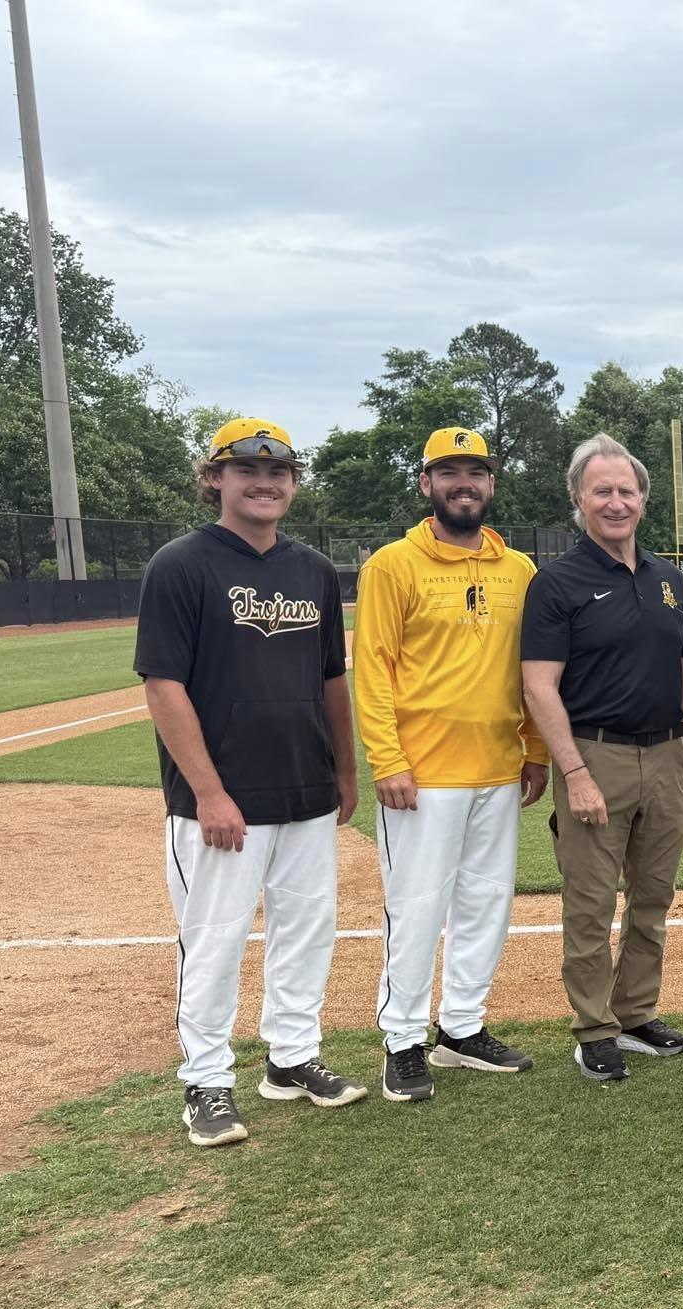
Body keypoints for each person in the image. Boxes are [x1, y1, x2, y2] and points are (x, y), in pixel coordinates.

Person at [135, 418, 366, 1147]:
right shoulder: (181, 564)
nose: (265, 483)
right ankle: (205, 1080)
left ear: (293, 483)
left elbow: (331, 677)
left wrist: (345, 768)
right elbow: (163, 685)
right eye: (247, 470)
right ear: (215, 479)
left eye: (279, 472)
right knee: (213, 940)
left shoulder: (313, 570)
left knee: (306, 930)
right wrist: (208, 792)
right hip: (223, 798)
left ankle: (292, 1058)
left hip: (304, 789)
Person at [353, 427, 550, 1104]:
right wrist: (388, 759)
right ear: (426, 483)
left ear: (491, 483)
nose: (463, 483)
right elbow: (373, 670)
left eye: (476, 472)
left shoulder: (518, 569)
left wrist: (536, 749)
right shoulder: (392, 566)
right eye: (448, 472)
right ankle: (402, 1039)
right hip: (422, 776)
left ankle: (461, 1028)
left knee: (485, 904)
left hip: (498, 767)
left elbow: (532, 669)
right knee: (415, 909)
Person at [520, 433, 683, 1083]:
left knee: (653, 898)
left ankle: (635, 1013)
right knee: (591, 905)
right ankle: (594, 1029)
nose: (616, 502)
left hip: (665, 754)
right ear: (579, 499)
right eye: (602, 491)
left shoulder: (667, 578)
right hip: (595, 755)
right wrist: (573, 772)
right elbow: (538, 685)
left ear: (643, 499)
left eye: (627, 490)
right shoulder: (557, 582)